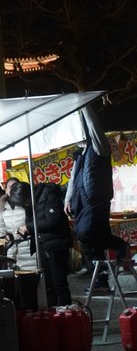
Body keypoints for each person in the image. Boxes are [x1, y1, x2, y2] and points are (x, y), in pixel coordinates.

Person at [66, 107, 129, 292]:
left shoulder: (100, 147)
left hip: (97, 199)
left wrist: (84, 105)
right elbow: (72, 180)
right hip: (81, 202)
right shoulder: (79, 155)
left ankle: (117, 247)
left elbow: (94, 126)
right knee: (89, 238)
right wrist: (67, 200)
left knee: (87, 233)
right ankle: (101, 277)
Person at [22, 182, 73, 307]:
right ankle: (52, 317)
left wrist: (28, 227)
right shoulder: (30, 203)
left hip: (56, 245)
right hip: (42, 244)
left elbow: (53, 220)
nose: (25, 204)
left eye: (25, 201)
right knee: (48, 285)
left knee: (59, 284)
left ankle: (66, 316)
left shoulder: (49, 194)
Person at [0, 181, 37, 270]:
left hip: (28, 248)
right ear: (6, 190)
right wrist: (2, 238)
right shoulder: (3, 207)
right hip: (11, 250)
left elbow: (30, 226)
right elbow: (2, 228)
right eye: (9, 187)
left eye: (14, 186)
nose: (11, 189)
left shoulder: (26, 204)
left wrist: (12, 236)